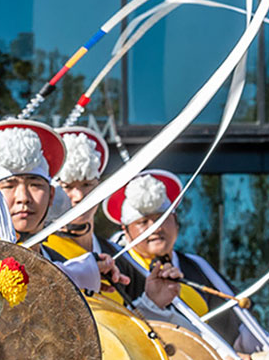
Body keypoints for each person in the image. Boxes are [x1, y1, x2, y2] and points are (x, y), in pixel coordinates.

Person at [105, 169, 269, 360]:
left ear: (176, 222)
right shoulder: (115, 270)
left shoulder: (197, 267)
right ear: (126, 231)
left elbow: (238, 323)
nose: (156, 228)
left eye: (162, 218)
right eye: (143, 222)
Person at [0, 119, 128, 293]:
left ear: (51, 195)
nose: (23, 198)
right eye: (9, 185)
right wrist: (71, 276)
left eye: (35, 184)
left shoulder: (60, 262)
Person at [50, 127, 183, 312]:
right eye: (67, 186)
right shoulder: (41, 250)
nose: (79, 195)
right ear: (51, 192)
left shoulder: (119, 256)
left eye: (87, 185)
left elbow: (131, 329)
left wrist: (153, 303)